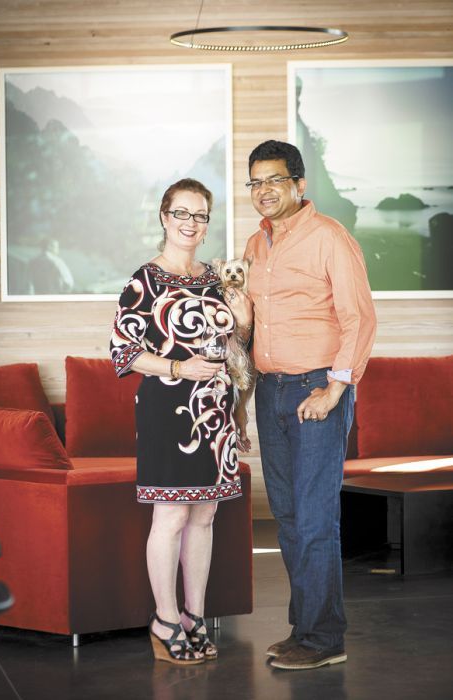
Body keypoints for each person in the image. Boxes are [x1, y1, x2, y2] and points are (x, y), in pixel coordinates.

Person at [235, 140, 377, 671]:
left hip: (317, 389)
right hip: (271, 391)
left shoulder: (329, 238)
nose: (263, 191)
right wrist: (241, 400)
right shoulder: (255, 245)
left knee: (316, 518)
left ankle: (324, 640)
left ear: (299, 185)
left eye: (274, 180)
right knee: (289, 518)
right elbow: (250, 330)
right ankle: (305, 630)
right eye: (255, 182)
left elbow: (358, 318)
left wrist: (334, 391)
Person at [110, 178, 252, 666]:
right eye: (182, 213)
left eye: (201, 215)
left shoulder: (215, 278)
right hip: (167, 411)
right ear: (165, 217)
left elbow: (237, 340)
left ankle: (194, 615)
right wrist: (179, 367)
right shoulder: (144, 279)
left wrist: (244, 317)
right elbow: (123, 352)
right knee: (170, 515)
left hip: (216, 412)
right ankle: (164, 619)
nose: (191, 224)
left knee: (205, 514)